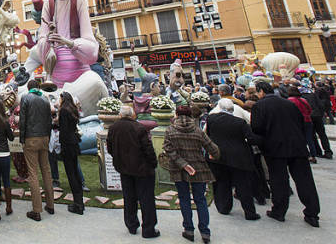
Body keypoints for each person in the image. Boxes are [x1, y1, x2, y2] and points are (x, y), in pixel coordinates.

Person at [251, 81, 321, 227]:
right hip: (297, 147)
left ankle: (279, 211)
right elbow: (301, 122)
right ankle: (312, 213)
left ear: (261, 91)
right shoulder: (289, 103)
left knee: (279, 181)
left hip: (275, 149)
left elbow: (257, 129)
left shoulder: (259, 106)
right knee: (305, 180)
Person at [163, 105, 220, 243]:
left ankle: (189, 229)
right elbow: (213, 149)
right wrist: (214, 155)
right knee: (200, 200)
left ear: (176, 115)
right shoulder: (197, 130)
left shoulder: (170, 131)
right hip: (198, 167)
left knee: (184, 199)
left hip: (178, 169)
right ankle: (205, 232)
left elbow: (168, 150)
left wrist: (183, 164)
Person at [107, 105, 160, 238]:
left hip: (124, 168)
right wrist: (153, 163)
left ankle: (131, 225)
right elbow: (148, 149)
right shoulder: (139, 128)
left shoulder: (113, 128)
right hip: (142, 169)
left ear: (120, 115)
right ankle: (148, 229)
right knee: (146, 199)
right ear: (132, 115)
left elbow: (110, 148)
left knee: (129, 197)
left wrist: (119, 159)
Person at [205, 99, 261, 221]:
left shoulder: (212, 119)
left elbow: (208, 135)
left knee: (222, 182)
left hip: (218, 156)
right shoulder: (240, 122)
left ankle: (223, 207)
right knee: (243, 185)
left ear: (219, 107)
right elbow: (251, 139)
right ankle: (249, 212)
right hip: (238, 156)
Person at [19, 79, 54, 221]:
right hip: (45, 137)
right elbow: (49, 120)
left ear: (28, 88)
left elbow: (22, 120)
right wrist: (48, 136)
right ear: (38, 87)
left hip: (31, 138)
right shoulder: (45, 99)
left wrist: (22, 139)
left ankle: (37, 210)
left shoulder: (26, 98)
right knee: (46, 170)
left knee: (33, 173)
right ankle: (50, 205)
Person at [58, 91, 85, 215]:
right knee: (75, 171)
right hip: (74, 143)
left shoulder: (63, 111)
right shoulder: (72, 110)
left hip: (67, 144)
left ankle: (78, 204)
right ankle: (80, 201)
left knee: (71, 174)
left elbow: (63, 130)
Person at [287, 86, 318, 163]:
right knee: (309, 139)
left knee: (300, 138)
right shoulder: (303, 100)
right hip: (308, 120)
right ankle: (313, 155)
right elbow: (310, 109)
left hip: (298, 122)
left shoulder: (290, 100)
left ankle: (304, 154)